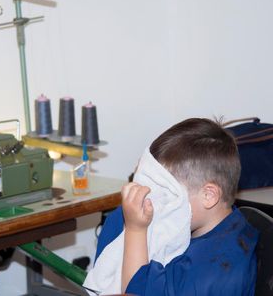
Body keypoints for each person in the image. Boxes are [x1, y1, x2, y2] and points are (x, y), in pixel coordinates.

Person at [96, 118, 258, 295]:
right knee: (118, 217)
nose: (154, 201)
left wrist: (135, 230)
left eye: (165, 194)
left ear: (209, 196)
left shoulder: (205, 273)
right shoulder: (220, 226)